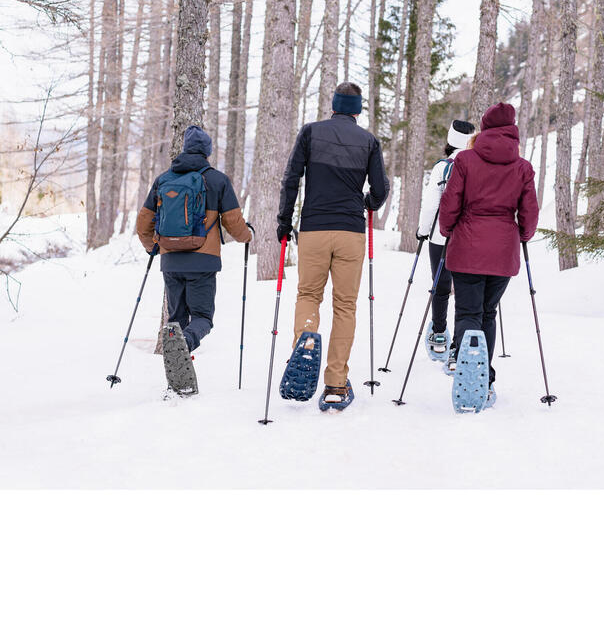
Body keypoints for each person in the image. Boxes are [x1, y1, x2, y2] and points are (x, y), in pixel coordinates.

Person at [277, 81, 389, 410]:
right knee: (345, 306)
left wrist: (285, 220)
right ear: (357, 110)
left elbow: (291, 178)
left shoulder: (311, 132)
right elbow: (380, 191)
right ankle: (336, 383)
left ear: (333, 106)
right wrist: (367, 200)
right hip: (350, 231)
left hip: (313, 228)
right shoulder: (369, 141)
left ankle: (305, 342)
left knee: (309, 295)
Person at [136, 126, 252, 394]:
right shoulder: (218, 180)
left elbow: (144, 220)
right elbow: (233, 222)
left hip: (171, 261)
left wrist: (151, 248)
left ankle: (175, 379)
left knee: (174, 321)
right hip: (203, 261)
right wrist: (247, 236)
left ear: (185, 148)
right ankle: (186, 343)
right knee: (202, 318)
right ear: (208, 152)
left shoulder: (164, 179)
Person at [438, 102, 539, 405]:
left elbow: (450, 202)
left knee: (467, 312)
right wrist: (521, 235)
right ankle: (485, 379)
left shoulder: (465, 160)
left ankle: (466, 372)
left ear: (485, 127)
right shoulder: (522, 167)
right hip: (502, 249)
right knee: (487, 313)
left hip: (467, 244)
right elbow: (530, 211)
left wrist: (447, 229)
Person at [416, 119, 476, 356]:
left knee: (440, 287)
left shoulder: (443, 167)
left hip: (440, 237)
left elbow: (431, 204)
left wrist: (422, 230)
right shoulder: (476, 163)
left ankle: (439, 333)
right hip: (468, 238)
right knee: (464, 289)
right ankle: (461, 343)